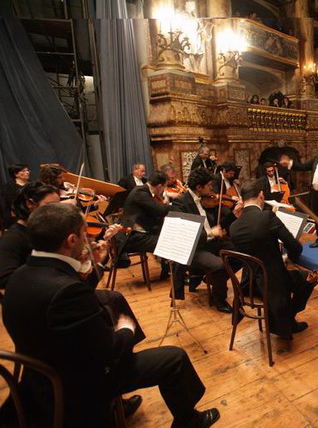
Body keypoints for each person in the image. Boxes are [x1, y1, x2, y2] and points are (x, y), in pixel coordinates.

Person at [0, 204, 219, 428]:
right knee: (174, 358)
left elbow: (72, 301)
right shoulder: (65, 292)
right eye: (84, 233)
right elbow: (107, 351)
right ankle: (190, 421)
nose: (89, 238)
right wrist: (125, 329)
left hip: (41, 370)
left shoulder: (19, 275)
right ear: (71, 241)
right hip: (78, 383)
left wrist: (99, 263)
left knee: (112, 303)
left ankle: (120, 404)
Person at [0, 182, 146, 417]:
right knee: (113, 317)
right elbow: (66, 290)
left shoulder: (36, 264)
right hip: (45, 317)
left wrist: (92, 263)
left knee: (113, 298)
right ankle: (118, 365)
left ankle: (122, 364)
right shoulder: (17, 242)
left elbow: (74, 287)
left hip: (47, 300)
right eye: (53, 205)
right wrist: (124, 331)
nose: (60, 209)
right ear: (31, 205)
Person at [229, 180, 316, 339]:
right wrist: (289, 260)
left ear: (242, 199)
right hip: (272, 284)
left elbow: (254, 246)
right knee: (309, 279)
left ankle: (284, 318)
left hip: (248, 285)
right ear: (261, 196)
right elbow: (295, 247)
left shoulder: (233, 226)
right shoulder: (267, 217)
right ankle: (287, 318)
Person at [170, 167, 238, 312]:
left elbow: (220, 220)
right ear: (199, 187)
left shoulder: (206, 199)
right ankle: (219, 299)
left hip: (211, 242)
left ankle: (214, 279)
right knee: (220, 265)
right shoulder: (180, 203)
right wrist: (210, 232)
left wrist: (234, 214)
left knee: (239, 254)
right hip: (195, 247)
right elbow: (185, 233)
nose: (212, 188)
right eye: (208, 186)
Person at [1, 163, 29, 228]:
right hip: (17, 213)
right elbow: (12, 202)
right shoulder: (8, 187)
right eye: (23, 171)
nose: (27, 172)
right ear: (16, 174)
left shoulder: (32, 184)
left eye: (27, 170)